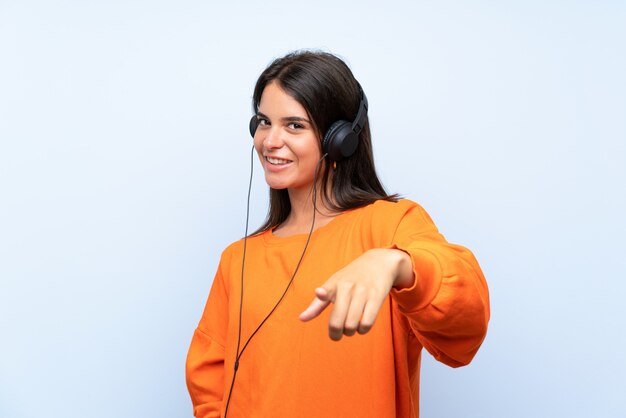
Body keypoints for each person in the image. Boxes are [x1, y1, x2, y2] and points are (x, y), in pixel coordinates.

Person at [186, 50, 490, 418]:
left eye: (294, 125)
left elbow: (466, 323)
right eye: (264, 122)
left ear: (339, 138)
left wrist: (394, 263)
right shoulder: (237, 259)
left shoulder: (389, 226)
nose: (270, 140)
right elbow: (209, 383)